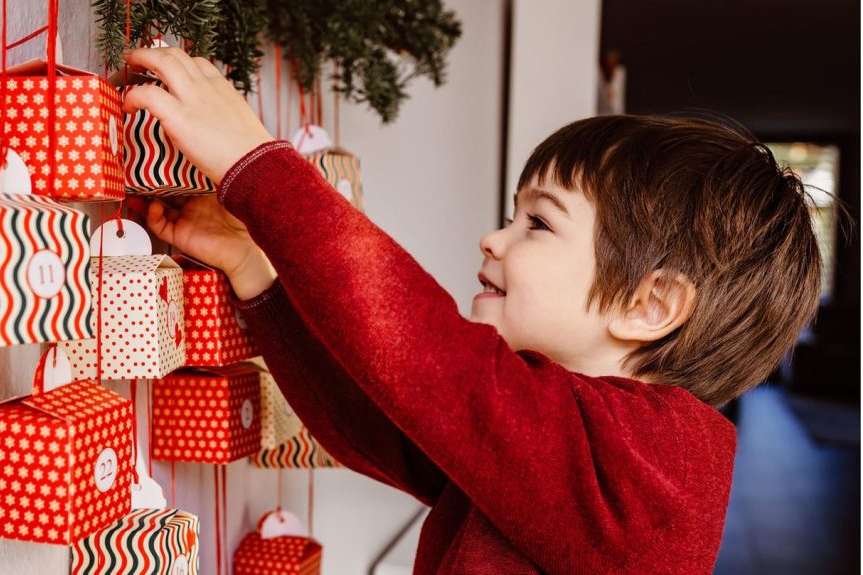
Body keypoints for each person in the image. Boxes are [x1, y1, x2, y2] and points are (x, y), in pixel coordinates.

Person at [120, 47, 821, 574]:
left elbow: (428, 359)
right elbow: (379, 423)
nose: (494, 238)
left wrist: (256, 164)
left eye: (538, 223)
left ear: (650, 305)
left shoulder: (650, 471)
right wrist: (256, 272)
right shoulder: (550, 444)